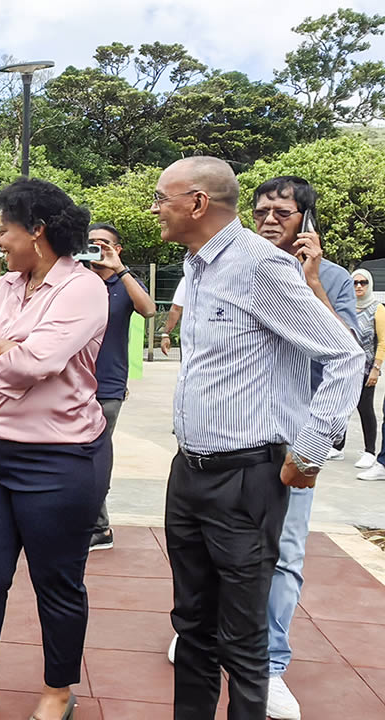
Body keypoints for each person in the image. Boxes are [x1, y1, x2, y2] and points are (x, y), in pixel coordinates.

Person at [151, 157, 359, 720]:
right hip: (189, 472)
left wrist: (310, 450)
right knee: (191, 626)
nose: (153, 208)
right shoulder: (196, 266)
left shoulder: (259, 266)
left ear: (197, 204)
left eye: (161, 197)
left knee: (242, 641)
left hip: (247, 478)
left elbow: (344, 354)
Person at [0, 179, 107, 720]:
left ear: (36, 231)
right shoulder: (5, 288)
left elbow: (39, 362)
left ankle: (58, 690)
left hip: (60, 459)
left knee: (56, 582)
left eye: (3, 231)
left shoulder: (83, 289)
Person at [247, 175, 358, 720]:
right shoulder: (237, 270)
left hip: (298, 436)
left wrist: (312, 283)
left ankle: (270, 666)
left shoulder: (333, 279)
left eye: (284, 212)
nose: (271, 219)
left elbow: (348, 354)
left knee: (285, 553)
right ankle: (206, 634)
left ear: (307, 222)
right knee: (215, 546)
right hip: (241, 432)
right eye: (262, 210)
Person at [83, 223, 156, 551]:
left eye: (104, 245)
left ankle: (99, 527)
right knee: (73, 453)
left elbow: (149, 309)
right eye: (91, 244)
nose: (97, 250)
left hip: (107, 385)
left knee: (94, 452)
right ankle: (88, 523)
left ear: (117, 248)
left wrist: (120, 269)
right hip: (69, 383)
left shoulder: (124, 283)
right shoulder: (76, 280)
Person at [350, 269, 385, 471]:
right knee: (342, 408)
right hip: (347, 367)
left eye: (363, 282)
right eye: (355, 283)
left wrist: (376, 369)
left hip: (366, 369)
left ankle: (369, 451)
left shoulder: (377, 309)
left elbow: (382, 343)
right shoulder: (346, 306)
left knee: (365, 408)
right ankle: (337, 446)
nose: (359, 287)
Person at [159, 277, 186, 356]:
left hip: (192, 339)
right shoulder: (187, 279)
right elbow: (176, 309)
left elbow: (176, 309)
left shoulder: (188, 279)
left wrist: (165, 335)